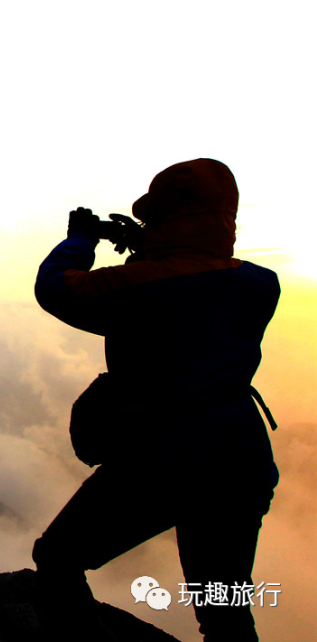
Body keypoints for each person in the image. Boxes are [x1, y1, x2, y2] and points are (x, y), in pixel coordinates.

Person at [31, 158, 279, 642]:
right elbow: (192, 282)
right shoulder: (259, 284)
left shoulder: (143, 285)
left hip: (163, 462)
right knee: (224, 607)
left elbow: (57, 287)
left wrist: (81, 238)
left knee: (59, 558)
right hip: (240, 461)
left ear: (165, 215)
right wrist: (148, 246)